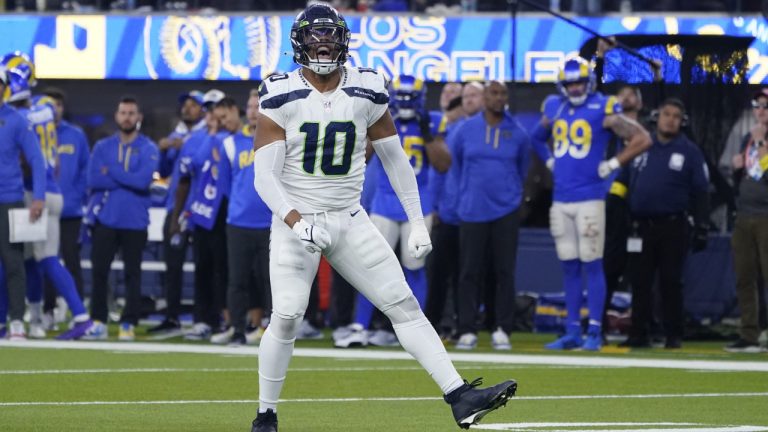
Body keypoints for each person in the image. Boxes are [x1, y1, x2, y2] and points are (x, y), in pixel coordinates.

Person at [249, 4, 516, 431]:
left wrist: (417, 220)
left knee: (403, 304)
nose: (323, 43)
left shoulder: (367, 87)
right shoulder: (280, 92)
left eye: (330, 35)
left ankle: (460, 396)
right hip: (296, 221)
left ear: (344, 41)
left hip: (350, 217)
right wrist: (297, 221)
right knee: (287, 314)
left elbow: (395, 160)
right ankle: (266, 414)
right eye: (315, 36)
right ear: (299, 43)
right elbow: (264, 176)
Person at [531, 57, 652, 351]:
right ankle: (573, 330)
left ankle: (595, 331)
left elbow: (642, 138)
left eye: (580, 82)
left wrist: (613, 164)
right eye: (570, 83)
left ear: (590, 82)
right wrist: (550, 161)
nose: (575, 88)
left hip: (590, 198)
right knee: (569, 265)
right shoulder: (554, 106)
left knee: (592, 264)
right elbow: (536, 138)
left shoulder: (603, 107)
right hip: (561, 198)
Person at [334, 74, 451, 348]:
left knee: (414, 268)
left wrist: (427, 133)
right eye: (403, 98)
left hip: (418, 206)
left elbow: (443, 164)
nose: (406, 104)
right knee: (372, 266)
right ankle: (360, 326)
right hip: (385, 203)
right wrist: (376, 126)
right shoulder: (381, 116)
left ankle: (417, 329)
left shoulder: (433, 121)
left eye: (411, 98)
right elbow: (361, 157)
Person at [1, 64, 97, 340]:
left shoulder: (18, 118)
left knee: (43, 259)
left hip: (35, 193)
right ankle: (35, 319)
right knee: (29, 260)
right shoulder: (42, 111)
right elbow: (50, 161)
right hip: (49, 190)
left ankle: (80, 315)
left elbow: (30, 160)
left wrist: (37, 195)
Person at [613, 98, 709, 349]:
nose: (670, 120)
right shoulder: (641, 145)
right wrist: (615, 209)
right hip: (640, 225)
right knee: (640, 281)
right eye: (667, 114)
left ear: (682, 122)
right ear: (657, 117)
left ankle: (673, 334)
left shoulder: (689, 151)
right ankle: (639, 333)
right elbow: (622, 180)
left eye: (676, 116)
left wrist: (702, 225)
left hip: (673, 225)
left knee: (671, 281)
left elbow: (701, 190)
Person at [450, 81, 530, 351]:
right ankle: (466, 329)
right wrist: (465, 196)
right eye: (493, 93)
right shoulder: (465, 130)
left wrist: (513, 197)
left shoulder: (518, 133)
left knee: (504, 272)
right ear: (484, 97)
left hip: (506, 211)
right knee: (468, 272)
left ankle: (502, 328)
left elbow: (523, 170)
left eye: (502, 93)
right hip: (472, 210)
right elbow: (456, 165)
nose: (498, 98)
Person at [83, 96, 159, 341]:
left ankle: (129, 322)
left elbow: (142, 182)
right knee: (99, 272)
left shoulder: (149, 147)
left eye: (131, 113)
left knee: (132, 274)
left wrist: (112, 171)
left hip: (135, 221)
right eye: (123, 113)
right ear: (117, 116)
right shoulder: (102, 146)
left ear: (139, 117)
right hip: (105, 218)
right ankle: (98, 321)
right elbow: (93, 179)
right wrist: (127, 177)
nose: (127, 117)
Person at [211, 93, 272, 346]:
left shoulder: (279, 138)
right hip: (238, 223)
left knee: (270, 281)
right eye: (250, 106)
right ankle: (237, 330)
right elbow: (225, 185)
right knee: (237, 280)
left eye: (258, 106)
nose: (253, 111)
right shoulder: (230, 143)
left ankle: (273, 331)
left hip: (271, 222)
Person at [169, 89, 229, 341]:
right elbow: (187, 174)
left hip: (225, 213)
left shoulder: (233, 136)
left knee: (224, 270)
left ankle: (226, 320)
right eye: (209, 108)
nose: (212, 113)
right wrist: (177, 216)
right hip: (201, 212)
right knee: (203, 268)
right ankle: (203, 320)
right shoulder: (197, 139)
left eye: (216, 108)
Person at [148, 90, 206, 336]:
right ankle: (172, 317)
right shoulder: (176, 136)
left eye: (193, 105)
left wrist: (186, 146)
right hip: (176, 209)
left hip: (202, 209)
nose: (187, 109)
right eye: (185, 105)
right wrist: (163, 150)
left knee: (205, 266)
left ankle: (205, 318)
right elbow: (162, 172)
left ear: (203, 109)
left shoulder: (208, 135)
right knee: (172, 266)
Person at [0, 65, 46, 340]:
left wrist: (38, 197)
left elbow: (37, 159)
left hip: (9, 199)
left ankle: (17, 320)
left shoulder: (16, 120)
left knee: (13, 261)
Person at [724, 89, 768, 353]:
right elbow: (745, 176)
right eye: (757, 105)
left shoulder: (757, 138)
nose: (761, 111)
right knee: (744, 276)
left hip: (766, 215)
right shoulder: (747, 138)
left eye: (766, 106)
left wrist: (761, 143)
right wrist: (737, 167)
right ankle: (749, 333)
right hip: (744, 214)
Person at [42, 87, 90, 318]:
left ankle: (76, 313)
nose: (54, 110)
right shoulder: (35, 134)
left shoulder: (76, 135)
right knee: (45, 260)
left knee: (72, 260)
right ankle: (48, 310)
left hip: (70, 211)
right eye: (50, 105)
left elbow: (85, 169)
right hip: (43, 207)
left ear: (63, 108)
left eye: (58, 105)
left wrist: (77, 195)